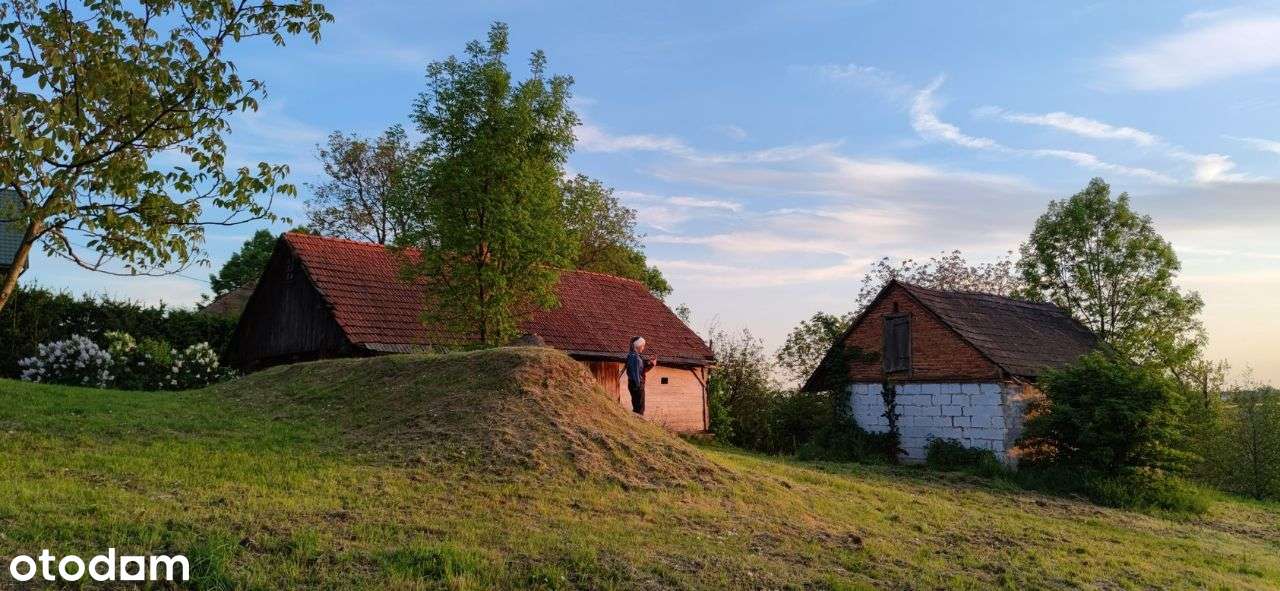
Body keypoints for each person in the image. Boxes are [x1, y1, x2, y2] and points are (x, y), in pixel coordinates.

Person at [622, 336, 657, 415]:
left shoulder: (633, 355)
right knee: (639, 408)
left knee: (638, 406)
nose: (643, 348)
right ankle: (638, 423)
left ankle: (637, 422)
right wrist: (638, 385)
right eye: (643, 346)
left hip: (634, 383)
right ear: (639, 346)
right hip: (636, 384)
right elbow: (636, 372)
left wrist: (650, 363)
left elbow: (641, 367)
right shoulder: (635, 358)